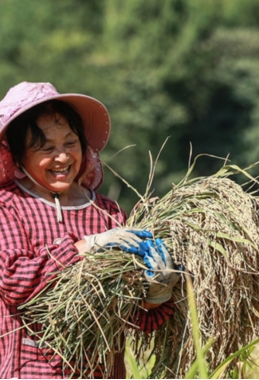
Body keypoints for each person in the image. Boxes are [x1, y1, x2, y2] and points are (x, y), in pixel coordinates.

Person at [0, 82, 180, 378]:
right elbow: (14, 280)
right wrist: (85, 247)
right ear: (18, 157)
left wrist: (156, 293)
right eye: (46, 148)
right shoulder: (8, 206)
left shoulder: (108, 214)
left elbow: (127, 315)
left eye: (70, 143)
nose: (62, 157)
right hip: (30, 371)